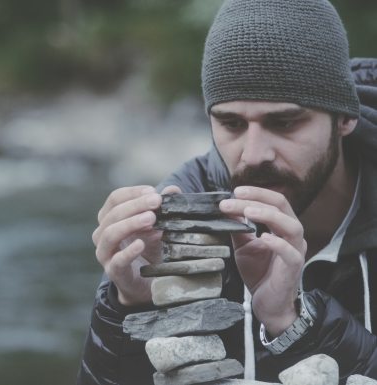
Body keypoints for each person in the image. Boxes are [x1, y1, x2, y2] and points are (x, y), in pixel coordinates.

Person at [77, 0, 377, 383]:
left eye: (284, 122)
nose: (253, 155)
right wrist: (132, 310)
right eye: (231, 123)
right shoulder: (175, 225)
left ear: (345, 118)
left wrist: (295, 322)